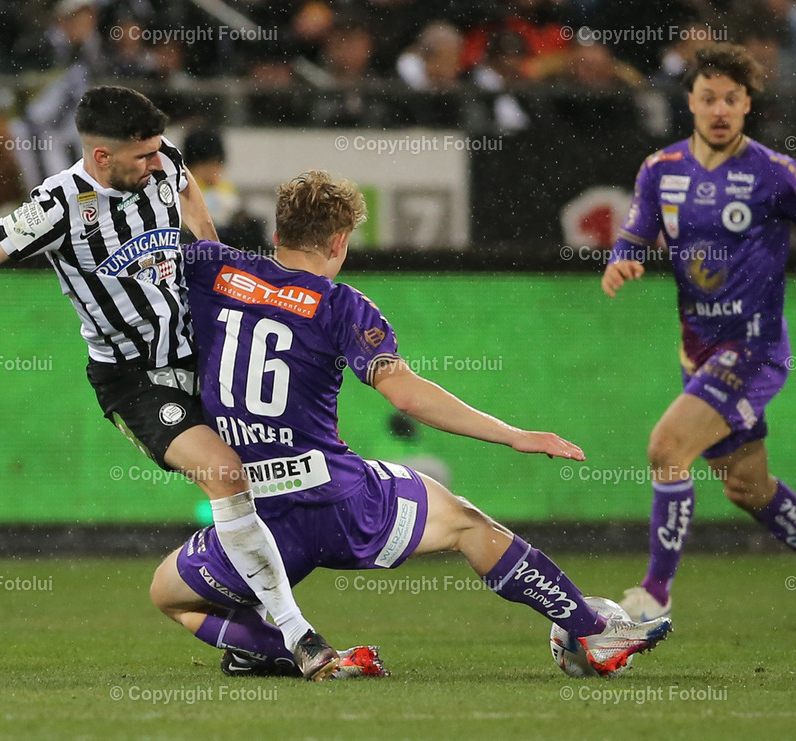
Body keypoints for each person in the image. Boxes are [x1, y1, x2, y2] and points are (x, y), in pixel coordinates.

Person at [149, 170, 673, 679]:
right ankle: (592, 631)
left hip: (257, 519)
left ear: (278, 233)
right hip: (342, 505)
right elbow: (406, 396)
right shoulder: (343, 306)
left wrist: (173, 167)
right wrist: (513, 434)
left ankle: (287, 652)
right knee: (467, 525)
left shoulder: (212, 271)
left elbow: (193, 223)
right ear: (338, 243)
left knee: (169, 596)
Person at [0, 86, 338, 681]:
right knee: (226, 473)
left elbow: (192, 208)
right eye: (143, 156)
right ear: (102, 158)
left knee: (271, 473)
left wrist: (214, 265)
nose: (158, 163)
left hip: (199, 358)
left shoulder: (167, 165)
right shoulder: (57, 206)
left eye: (158, 152)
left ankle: (246, 635)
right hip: (134, 382)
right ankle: (298, 635)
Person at [601, 43, 796, 637]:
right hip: (697, 351)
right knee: (746, 486)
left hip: (753, 350)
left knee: (665, 448)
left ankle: (653, 595)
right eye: (708, 99)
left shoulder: (774, 172)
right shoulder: (660, 169)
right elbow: (634, 235)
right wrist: (620, 262)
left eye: (731, 99)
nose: (719, 109)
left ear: (747, 104)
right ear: (692, 104)